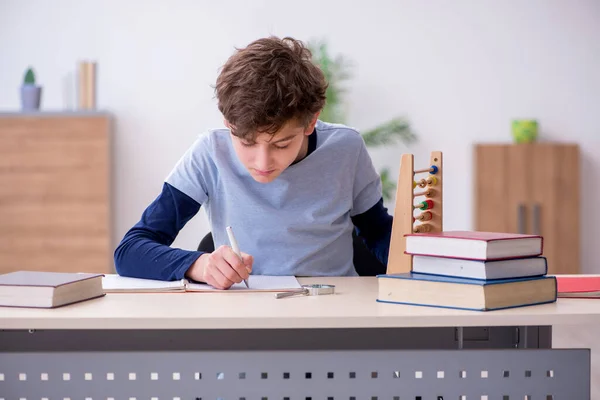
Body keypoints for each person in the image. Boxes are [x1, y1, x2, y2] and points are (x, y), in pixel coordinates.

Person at [114, 36, 393, 289]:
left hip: (336, 305)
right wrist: (199, 265)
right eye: (246, 142)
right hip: (246, 311)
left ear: (311, 122)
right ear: (228, 123)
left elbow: (377, 230)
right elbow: (131, 249)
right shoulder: (210, 153)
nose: (263, 162)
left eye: (282, 144)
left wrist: (424, 257)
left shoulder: (346, 148)